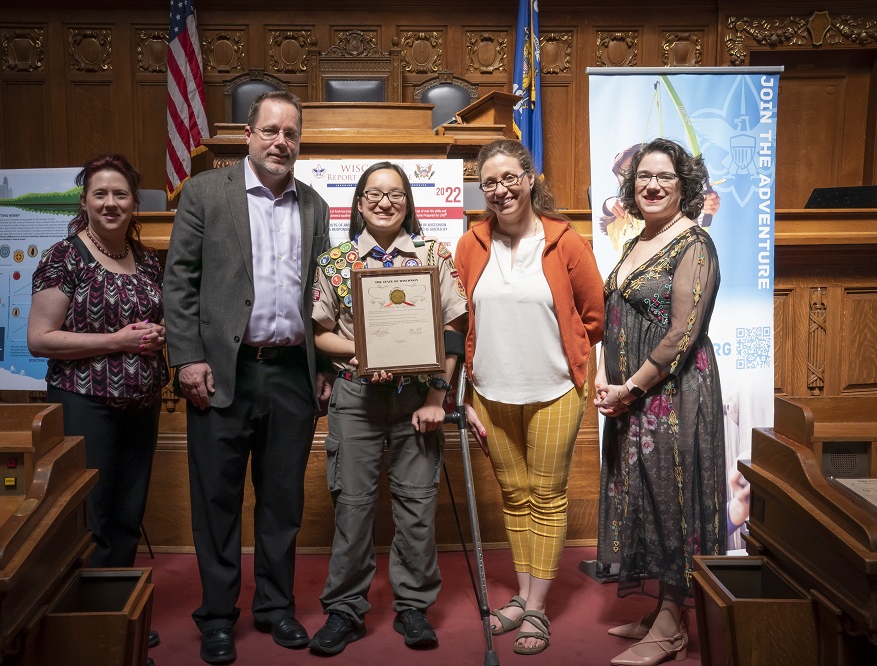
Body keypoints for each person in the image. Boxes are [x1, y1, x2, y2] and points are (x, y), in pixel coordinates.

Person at [163, 90, 332, 666]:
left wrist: (327, 367)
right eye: (270, 131)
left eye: (290, 133)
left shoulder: (314, 206)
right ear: (248, 135)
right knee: (217, 499)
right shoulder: (206, 194)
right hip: (220, 371)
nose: (280, 142)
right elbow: (178, 282)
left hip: (290, 374)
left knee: (283, 500)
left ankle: (276, 608)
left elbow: (324, 297)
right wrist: (186, 359)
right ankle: (215, 617)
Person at [307, 161, 468, 656]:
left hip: (417, 400)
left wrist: (439, 397)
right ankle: (344, 610)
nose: (384, 202)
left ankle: (413, 607)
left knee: (417, 508)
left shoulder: (433, 255)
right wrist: (358, 351)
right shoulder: (334, 262)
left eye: (395, 194)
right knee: (352, 508)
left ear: (408, 204)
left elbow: (453, 331)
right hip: (356, 399)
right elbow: (320, 332)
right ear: (358, 204)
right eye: (374, 194)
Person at [453, 139, 605, 656]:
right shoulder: (471, 243)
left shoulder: (565, 240)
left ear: (530, 177)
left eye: (509, 178)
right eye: (489, 182)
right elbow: (460, 319)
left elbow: (594, 315)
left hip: (554, 390)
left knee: (546, 495)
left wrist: (568, 359)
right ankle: (521, 595)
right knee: (515, 495)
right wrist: (466, 391)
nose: (500, 190)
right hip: (491, 391)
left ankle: (536, 608)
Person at [593, 137, 726, 666]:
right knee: (644, 497)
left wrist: (631, 387)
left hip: (672, 394)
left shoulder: (694, 242)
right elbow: (615, 317)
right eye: (643, 177)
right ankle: (663, 610)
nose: (651, 185)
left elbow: (681, 334)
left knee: (675, 501)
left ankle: (673, 627)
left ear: (685, 185)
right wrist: (608, 382)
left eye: (664, 178)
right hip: (633, 398)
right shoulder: (636, 241)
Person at [28, 153, 168, 571]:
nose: (111, 203)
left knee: (129, 511)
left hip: (142, 402)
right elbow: (40, 339)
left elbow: (151, 323)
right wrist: (117, 341)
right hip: (85, 401)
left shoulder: (145, 260)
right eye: (100, 194)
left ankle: (119, 608)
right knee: (93, 511)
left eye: (120, 194)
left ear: (134, 203)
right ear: (84, 202)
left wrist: (157, 336)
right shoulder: (64, 258)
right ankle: (88, 615)